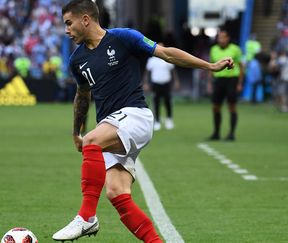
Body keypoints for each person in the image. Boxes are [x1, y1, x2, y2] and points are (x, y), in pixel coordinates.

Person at [53, 1, 234, 242]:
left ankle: (86, 218)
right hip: (112, 126)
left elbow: (167, 53)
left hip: (136, 116)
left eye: (68, 23)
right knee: (117, 193)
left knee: (92, 141)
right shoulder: (77, 60)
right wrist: (76, 131)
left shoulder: (124, 38)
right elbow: (83, 95)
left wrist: (209, 66)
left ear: (85, 19)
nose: (66, 30)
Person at [207, 30, 244, 141]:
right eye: (219, 37)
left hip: (232, 80)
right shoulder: (213, 49)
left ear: (228, 38)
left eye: (223, 37)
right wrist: (209, 82)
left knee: (231, 107)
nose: (221, 40)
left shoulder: (235, 49)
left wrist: (240, 83)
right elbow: (211, 66)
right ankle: (216, 133)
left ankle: (232, 133)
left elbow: (241, 66)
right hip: (218, 80)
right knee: (215, 107)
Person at [143, 42, 180, 131]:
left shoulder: (167, 58)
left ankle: (169, 119)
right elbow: (147, 72)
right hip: (156, 84)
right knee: (156, 103)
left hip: (166, 84)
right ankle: (157, 121)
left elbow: (173, 71)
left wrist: (176, 81)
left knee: (168, 102)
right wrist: (146, 83)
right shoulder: (152, 60)